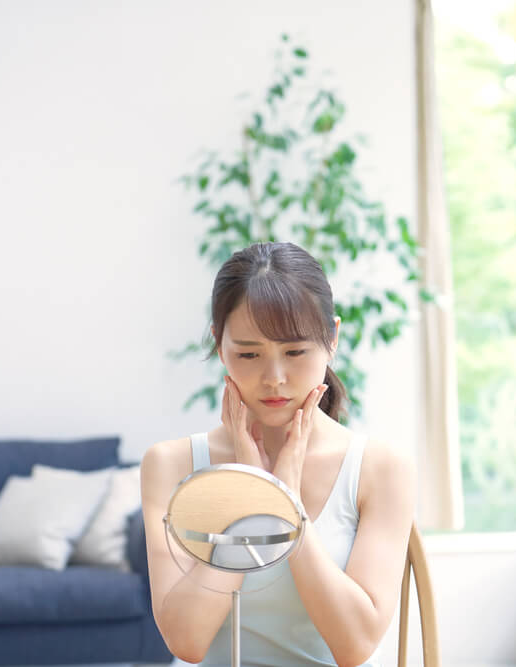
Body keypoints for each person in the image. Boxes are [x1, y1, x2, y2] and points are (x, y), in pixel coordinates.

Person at [141, 241, 414, 667]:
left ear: (332, 338)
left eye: (295, 352)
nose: (274, 378)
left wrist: (286, 503)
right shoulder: (170, 464)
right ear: (219, 345)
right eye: (248, 354)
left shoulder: (380, 469)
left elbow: (354, 645)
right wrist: (251, 499)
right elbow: (186, 641)